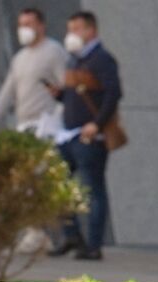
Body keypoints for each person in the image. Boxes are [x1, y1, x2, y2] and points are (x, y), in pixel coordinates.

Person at [52, 10, 119, 259]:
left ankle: (93, 245)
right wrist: (58, 94)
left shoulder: (102, 60)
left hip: (89, 137)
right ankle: (72, 236)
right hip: (68, 135)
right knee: (58, 186)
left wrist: (97, 124)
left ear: (91, 31)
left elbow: (113, 93)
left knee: (92, 189)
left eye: (76, 29)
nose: (71, 35)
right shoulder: (75, 60)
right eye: (70, 30)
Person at [0, 7, 69, 136]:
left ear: (41, 26)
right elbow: (7, 93)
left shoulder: (54, 51)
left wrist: (57, 118)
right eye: (21, 25)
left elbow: (67, 87)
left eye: (28, 24)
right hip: (23, 125)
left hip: (46, 126)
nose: (23, 29)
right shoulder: (19, 58)